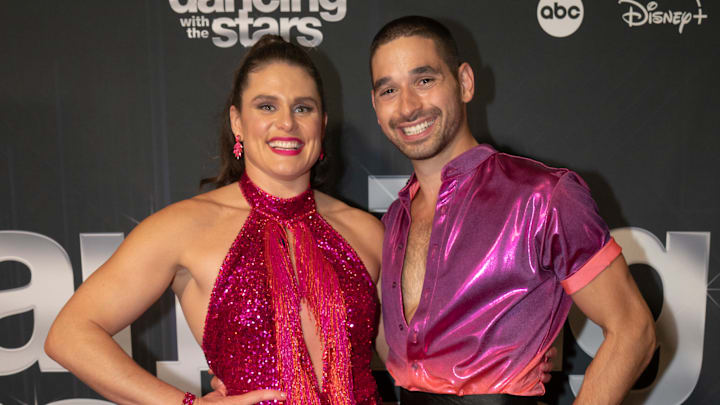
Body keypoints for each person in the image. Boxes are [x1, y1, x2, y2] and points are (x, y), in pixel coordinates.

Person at [45, 35, 384, 405]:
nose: (287, 122)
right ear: (237, 122)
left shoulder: (366, 232)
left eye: (303, 108)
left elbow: (404, 358)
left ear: (322, 123)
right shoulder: (186, 227)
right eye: (267, 106)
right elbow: (70, 334)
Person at [369, 16, 657, 405]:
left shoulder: (543, 196)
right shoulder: (393, 220)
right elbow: (391, 350)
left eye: (424, 80)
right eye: (389, 90)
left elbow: (634, 329)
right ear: (375, 104)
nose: (407, 106)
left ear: (465, 82)